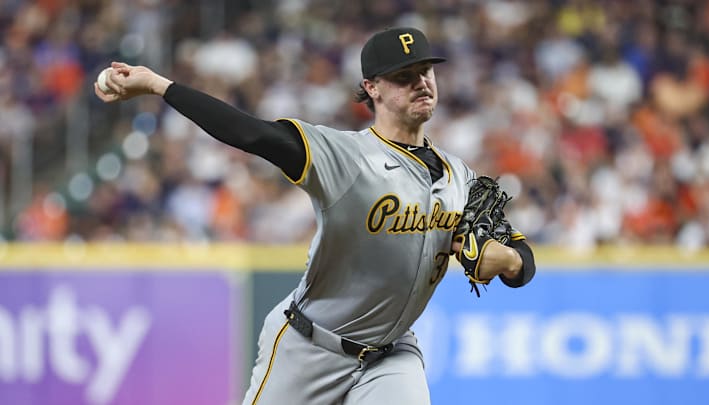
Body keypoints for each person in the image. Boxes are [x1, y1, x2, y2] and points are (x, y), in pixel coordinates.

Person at [95, 26, 536, 405]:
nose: (421, 82)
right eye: (404, 76)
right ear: (372, 88)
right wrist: (159, 86)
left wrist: (510, 261)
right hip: (309, 347)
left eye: (425, 71)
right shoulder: (343, 156)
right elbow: (249, 132)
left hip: (392, 353)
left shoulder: (462, 178)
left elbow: (521, 258)